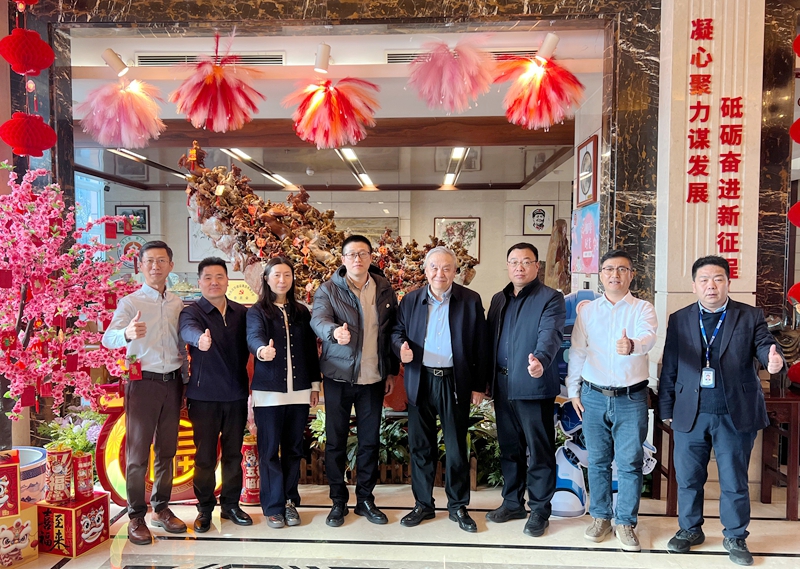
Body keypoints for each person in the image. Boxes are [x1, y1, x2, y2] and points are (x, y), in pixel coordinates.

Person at [659, 256, 785, 566]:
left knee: (734, 480)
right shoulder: (680, 319)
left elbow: (765, 345)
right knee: (688, 478)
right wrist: (665, 408)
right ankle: (690, 530)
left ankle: (736, 536)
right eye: (704, 280)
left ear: (728, 283)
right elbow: (670, 365)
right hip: (690, 412)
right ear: (694, 286)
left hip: (734, 412)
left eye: (718, 279)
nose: (711, 285)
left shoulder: (749, 316)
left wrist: (774, 360)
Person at [565, 249, 658, 552]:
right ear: (601, 275)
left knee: (630, 463)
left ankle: (626, 522)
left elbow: (648, 338)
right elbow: (578, 351)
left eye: (621, 269)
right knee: (598, 461)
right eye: (608, 269)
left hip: (631, 398)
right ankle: (601, 517)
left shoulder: (643, 309)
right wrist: (573, 390)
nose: (614, 274)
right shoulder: (588, 312)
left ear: (631, 275)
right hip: (593, 396)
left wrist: (632, 345)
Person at [392, 246, 488, 533]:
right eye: (434, 267)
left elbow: (481, 345)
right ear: (425, 270)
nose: (440, 273)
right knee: (421, 446)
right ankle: (423, 504)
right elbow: (396, 332)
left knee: (456, 447)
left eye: (446, 268)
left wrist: (478, 385)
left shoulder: (470, 300)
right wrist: (400, 348)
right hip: (420, 379)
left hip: (454, 381)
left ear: (455, 271)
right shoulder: (411, 300)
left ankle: (458, 506)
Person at [101, 241, 187, 545]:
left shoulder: (177, 303)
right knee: (137, 454)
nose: (155, 266)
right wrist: (126, 334)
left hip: (173, 382)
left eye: (161, 260)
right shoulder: (130, 303)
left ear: (170, 266)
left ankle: (161, 508)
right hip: (142, 383)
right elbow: (108, 338)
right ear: (140, 266)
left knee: (167, 450)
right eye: (149, 260)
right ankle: (136, 515)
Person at [310, 235, 398, 527]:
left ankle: (365, 500)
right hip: (339, 376)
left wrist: (390, 371)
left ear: (371, 257)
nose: (357, 259)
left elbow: (391, 332)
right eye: (351, 254)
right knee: (335, 441)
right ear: (343, 259)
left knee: (369, 442)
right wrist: (334, 332)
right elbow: (318, 320)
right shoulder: (328, 289)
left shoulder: (384, 289)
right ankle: (338, 501)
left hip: (373, 378)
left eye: (363, 253)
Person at [485, 243, 565, 537]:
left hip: (533, 385)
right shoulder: (499, 298)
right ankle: (512, 503)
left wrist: (540, 360)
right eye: (514, 261)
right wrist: (485, 381)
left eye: (526, 261)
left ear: (536, 266)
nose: (519, 267)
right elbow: (489, 340)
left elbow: (550, 334)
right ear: (508, 266)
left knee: (539, 450)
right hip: (503, 385)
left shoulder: (550, 298)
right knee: (510, 449)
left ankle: (540, 510)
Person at [179, 257, 251, 533]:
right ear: (199, 282)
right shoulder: (192, 312)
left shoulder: (240, 312)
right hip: (204, 396)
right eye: (208, 277)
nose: (214, 282)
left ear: (227, 281)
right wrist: (199, 339)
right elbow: (188, 331)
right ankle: (205, 508)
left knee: (233, 454)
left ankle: (231, 505)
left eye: (219, 276)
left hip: (236, 395)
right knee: (205, 457)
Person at [247, 257, 321, 528]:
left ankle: (290, 501)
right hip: (268, 394)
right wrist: (261, 351)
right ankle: (273, 507)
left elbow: (311, 351)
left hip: (299, 393)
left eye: (287, 275)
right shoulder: (257, 311)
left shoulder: (302, 312)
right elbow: (253, 336)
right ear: (266, 279)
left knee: (293, 449)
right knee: (269, 451)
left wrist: (315, 385)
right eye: (276, 275)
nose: (282, 280)